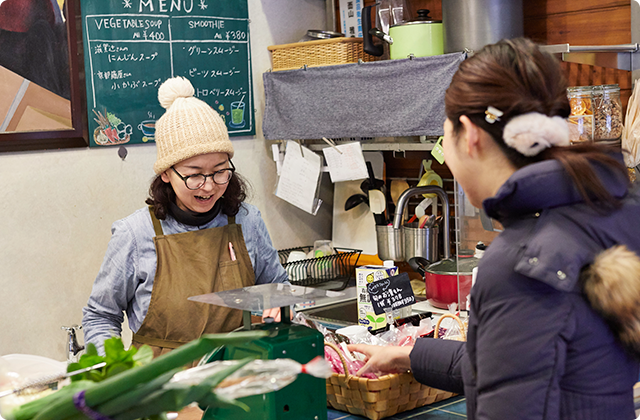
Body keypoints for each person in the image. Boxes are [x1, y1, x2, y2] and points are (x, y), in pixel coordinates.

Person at [348, 38, 640, 419]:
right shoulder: (606, 210)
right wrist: (408, 355)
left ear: (468, 135)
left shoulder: (522, 263)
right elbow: (528, 368)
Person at [83, 76, 288, 357]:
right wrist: (110, 369)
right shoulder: (135, 233)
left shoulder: (247, 221)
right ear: (166, 173)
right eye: (193, 175)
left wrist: (276, 305)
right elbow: (100, 315)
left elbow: (278, 289)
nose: (208, 186)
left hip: (237, 377)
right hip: (160, 386)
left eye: (220, 171)